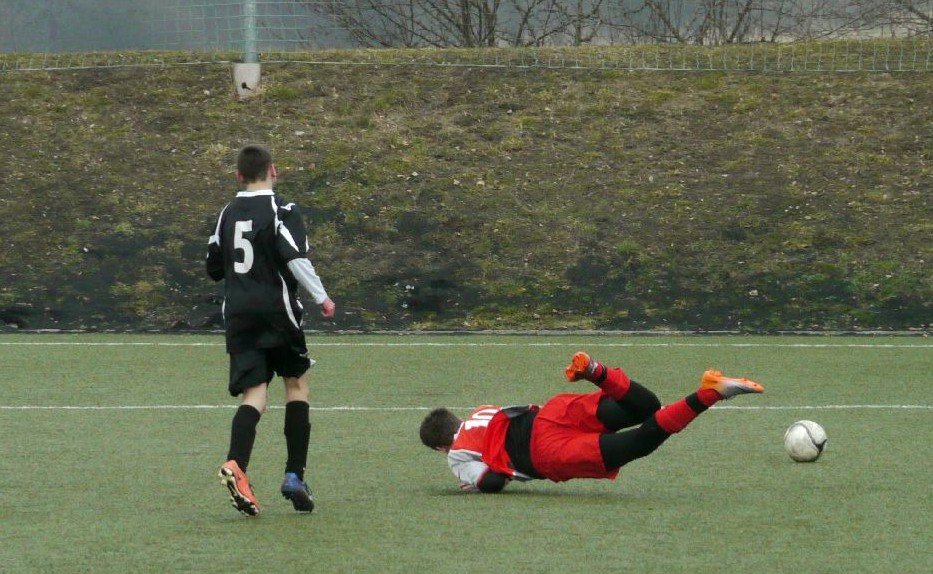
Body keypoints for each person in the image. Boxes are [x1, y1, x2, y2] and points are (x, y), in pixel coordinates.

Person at [419, 352, 764, 492]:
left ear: (440, 447)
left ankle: (711, 393)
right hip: (550, 414)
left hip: (546, 451)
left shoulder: (456, 453)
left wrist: (476, 485)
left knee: (638, 443)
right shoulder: (481, 411)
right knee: (645, 406)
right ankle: (597, 372)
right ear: (458, 418)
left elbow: (492, 480)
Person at [207, 144, 336, 516]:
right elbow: (294, 257)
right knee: (296, 384)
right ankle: (294, 475)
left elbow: (213, 267)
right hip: (277, 312)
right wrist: (322, 297)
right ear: (274, 171)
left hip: (238, 315)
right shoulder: (283, 209)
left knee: (255, 394)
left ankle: (236, 465)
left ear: (239, 176)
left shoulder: (227, 213)